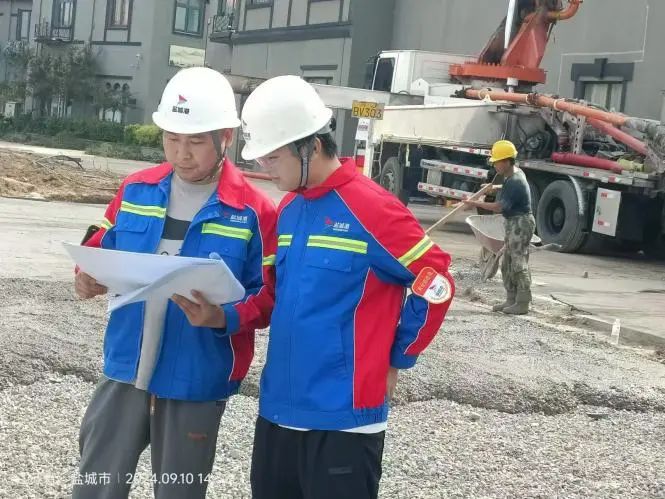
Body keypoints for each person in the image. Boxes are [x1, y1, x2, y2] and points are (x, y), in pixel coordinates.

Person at [240, 75, 455, 499]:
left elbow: (437, 282)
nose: (265, 167)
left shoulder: (374, 209)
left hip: (344, 424)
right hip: (278, 412)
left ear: (310, 147)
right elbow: (277, 295)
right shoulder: (289, 208)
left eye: (273, 156)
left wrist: (398, 357)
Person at [72, 67, 276, 499]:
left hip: (195, 377)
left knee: (178, 491)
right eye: (172, 138)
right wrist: (86, 277)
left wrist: (223, 316)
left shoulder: (254, 212)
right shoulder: (135, 190)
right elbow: (100, 245)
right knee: (95, 485)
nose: (182, 154)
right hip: (125, 366)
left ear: (225, 137)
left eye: (196, 141)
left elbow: (269, 296)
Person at [463, 139, 535, 315]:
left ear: (507, 161)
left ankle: (523, 302)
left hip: (521, 223)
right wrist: (494, 188)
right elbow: (507, 188)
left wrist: (474, 203)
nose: (494, 165)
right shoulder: (513, 174)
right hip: (513, 222)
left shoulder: (515, 180)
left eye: (497, 162)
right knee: (507, 264)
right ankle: (511, 299)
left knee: (518, 263)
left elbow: (498, 207)